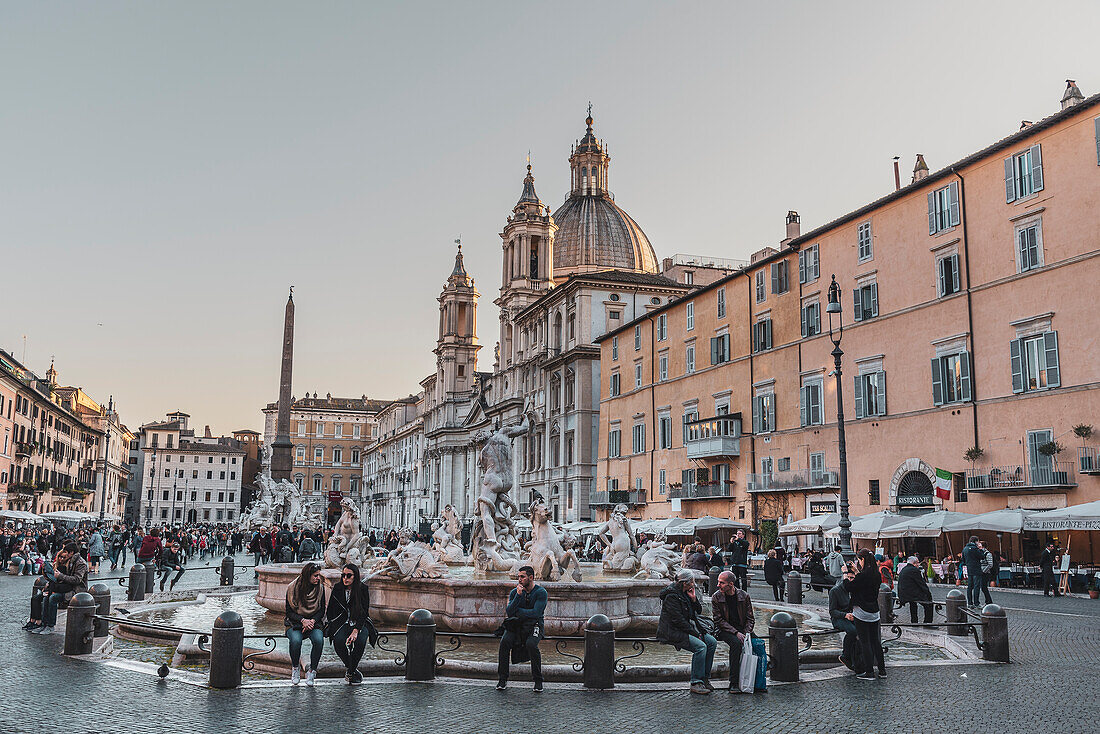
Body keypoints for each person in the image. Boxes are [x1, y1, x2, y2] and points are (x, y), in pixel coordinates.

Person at [656, 568, 717, 694]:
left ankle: (705, 678)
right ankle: (696, 682)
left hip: (686, 628)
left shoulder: (686, 593)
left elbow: (698, 612)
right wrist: (696, 634)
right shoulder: (672, 596)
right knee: (700, 647)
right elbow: (677, 621)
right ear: (684, 583)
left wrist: (694, 599)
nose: (693, 584)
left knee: (712, 642)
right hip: (672, 631)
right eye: (692, 582)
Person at [496, 565, 546, 691]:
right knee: (505, 642)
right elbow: (510, 612)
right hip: (517, 625)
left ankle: (538, 680)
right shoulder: (515, 592)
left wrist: (519, 612)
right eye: (518, 577)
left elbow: (536, 613)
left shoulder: (541, 592)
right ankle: (502, 679)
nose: (519, 579)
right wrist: (518, 596)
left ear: (531, 577)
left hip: (535, 625)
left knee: (531, 645)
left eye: (522, 577)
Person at [326, 563, 376, 684]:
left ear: (355, 576)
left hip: (360, 623)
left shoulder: (362, 589)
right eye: (343, 575)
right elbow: (330, 610)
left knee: (360, 641)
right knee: (338, 641)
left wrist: (356, 630)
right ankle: (352, 670)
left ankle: (350, 672)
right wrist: (334, 624)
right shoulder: (337, 588)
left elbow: (364, 612)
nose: (345, 578)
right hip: (342, 623)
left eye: (349, 575)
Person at [843, 548, 886, 680]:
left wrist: (845, 574)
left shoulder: (863, 576)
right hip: (874, 611)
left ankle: (869, 672)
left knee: (865, 642)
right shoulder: (876, 574)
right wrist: (857, 571)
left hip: (861, 612)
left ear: (862, 560)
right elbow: (864, 581)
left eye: (859, 560)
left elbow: (848, 587)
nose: (858, 562)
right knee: (876, 642)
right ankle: (882, 671)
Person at [33, 542, 89, 635]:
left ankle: (51, 625)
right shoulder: (71, 560)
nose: (64, 554)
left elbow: (77, 580)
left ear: (71, 552)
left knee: (53, 598)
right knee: (47, 596)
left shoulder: (80, 563)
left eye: (66, 552)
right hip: (68, 587)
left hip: (77, 591)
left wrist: (60, 576)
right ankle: (44, 624)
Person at [712, 570, 754, 692]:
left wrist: (747, 633)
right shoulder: (716, 597)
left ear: (731, 584)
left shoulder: (744, 596)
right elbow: (718, 620)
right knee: (736, 644)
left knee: (757, 644)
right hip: (724, 629)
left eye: (721, 583)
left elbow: (750, 618)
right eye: (718, 582)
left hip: (742, 629)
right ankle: (733, 682)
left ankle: (755, 680)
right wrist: (736, 632)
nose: (718, 585)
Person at [285, 562, 326, 685]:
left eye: (318, 575)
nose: (318, 578)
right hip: (295, 623)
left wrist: (312, 621)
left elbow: (322, 610)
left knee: (319, 640)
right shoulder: (292, 588)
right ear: (307, 576)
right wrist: (303, 621)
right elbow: (289, 612)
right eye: (315, 575)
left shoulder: (321, 588)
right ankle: (295, 668)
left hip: (314, 623)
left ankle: (312, 671)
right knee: (296, 641)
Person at [829, 562, 861, 671]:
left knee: (861, 630)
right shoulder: (835, 591)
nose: (852, 580)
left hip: (852, 616)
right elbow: (832, 611)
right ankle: (845, 655)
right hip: (839, 618)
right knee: (853, 631)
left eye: (853, 578)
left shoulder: (855, 589)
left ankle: (856, 659)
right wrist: (845, 615)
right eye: (850, 578)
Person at [897, 555, 934, 624]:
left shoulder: (904, 569)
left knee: (913, 604)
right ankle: (927, 623)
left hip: (903, 594)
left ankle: (914, 621)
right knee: (928, 604)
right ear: (915, 563)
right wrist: (928, 594)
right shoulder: (914, 570)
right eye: (918, 563)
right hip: (911, 594)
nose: (918, 564)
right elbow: (922, 584)